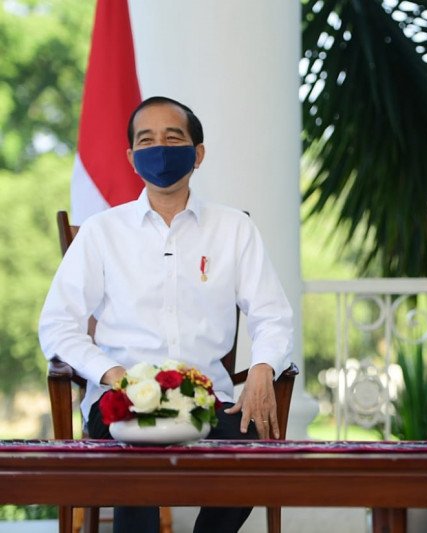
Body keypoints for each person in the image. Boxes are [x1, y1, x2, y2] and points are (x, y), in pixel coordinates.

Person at [39, 96, 294, 533]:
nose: (159, 148)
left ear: (197, 153)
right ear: (132, 157)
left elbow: (272, 315)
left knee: (256, 455)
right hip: (123, 399)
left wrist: (264, 368)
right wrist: (112, 373)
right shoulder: (102, 232)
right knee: (136, 468)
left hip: (206, 400)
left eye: (173, 138)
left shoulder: (234, 229)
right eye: (147, 140)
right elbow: (58, 324)